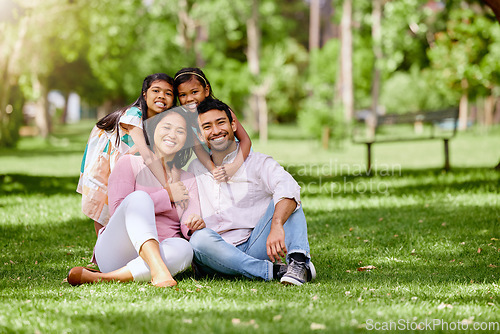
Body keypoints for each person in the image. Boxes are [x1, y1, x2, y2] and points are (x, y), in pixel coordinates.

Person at [67, 107, 205, 287]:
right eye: (166, 127)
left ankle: (104, 277)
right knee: (139, 198)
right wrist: (166, 196)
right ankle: (156, 268)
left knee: (185, 249)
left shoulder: (188, 178)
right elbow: (119, 210)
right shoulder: (129, 163)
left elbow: (188, 224)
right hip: (118, 249)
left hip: (163, 250)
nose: (172, 134)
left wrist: (194, 223)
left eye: (180, 131)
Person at [188, 98, 316, 286]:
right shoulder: (194, 168)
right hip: (218, 250)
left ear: (233, 125)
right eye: (207, 127)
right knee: (199, 240)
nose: (215, 131)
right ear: (200, 135)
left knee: (288, 194)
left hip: (257, 244)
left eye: (221, 122)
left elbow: (287, 186)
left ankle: (298, 262)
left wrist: (277, 224)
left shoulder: (258, 162)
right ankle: (274, 271)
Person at [77, 73, 188, 235]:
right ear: (144, 94)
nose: (161, 96)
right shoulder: (134, 114)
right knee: (104, 198)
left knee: (130, 187)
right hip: (107, 150)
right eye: (156, 91)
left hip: (127, 152)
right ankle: (102, 244)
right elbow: (146, 153)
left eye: (168, 93)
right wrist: (167, 187)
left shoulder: (162, 119)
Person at [174, 67, 252, 183]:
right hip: (217, 162)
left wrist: (234, 166)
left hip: (239, 158)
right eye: (183, 95)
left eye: (194, 92)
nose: (189, 99)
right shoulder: (188, 120)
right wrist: (214, 170)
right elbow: (199, 149)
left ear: (206, 90)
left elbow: (245, 140)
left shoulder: (221, 111)